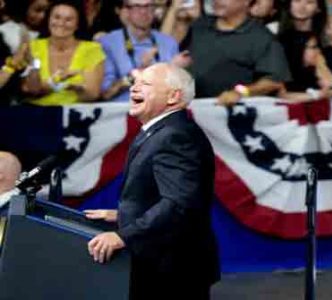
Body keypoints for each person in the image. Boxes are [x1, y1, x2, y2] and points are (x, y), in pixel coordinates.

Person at [85, 63, 220, 299]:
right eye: (134, 83)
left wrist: (124, 235)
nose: (134, 89)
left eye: (145, 84)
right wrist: (124, 214)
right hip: (162, 263)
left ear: (173, 96)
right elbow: (164, 194)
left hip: (172, 269)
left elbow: (179, 204)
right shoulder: (161, 129)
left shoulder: (175, 136)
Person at [187, 0, 291, 105]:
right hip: (185, 107)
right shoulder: (199, 25)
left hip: (227, 111)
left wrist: (240, 92)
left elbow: (273, 81)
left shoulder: (261, 37)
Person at [21, 0, 105, 105]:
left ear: (77, 25)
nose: (61, 23)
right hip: (36, 112)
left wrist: (77, 89)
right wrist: (57, 81)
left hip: (75, 114)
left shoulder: (91, 49)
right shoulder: (33, 47)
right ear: (48, 20)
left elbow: (92, 94)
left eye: (68, 20)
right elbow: (31, 90)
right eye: (56, 17)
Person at [98, 0, 183, 102]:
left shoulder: (168, 43)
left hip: (162, 110)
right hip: (123, 113)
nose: (144, 11)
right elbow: (106, 94)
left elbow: (179, 91)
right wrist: (138, 72)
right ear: (126, 11)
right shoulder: (107, 43)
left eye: (148, 6)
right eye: (137, 6)